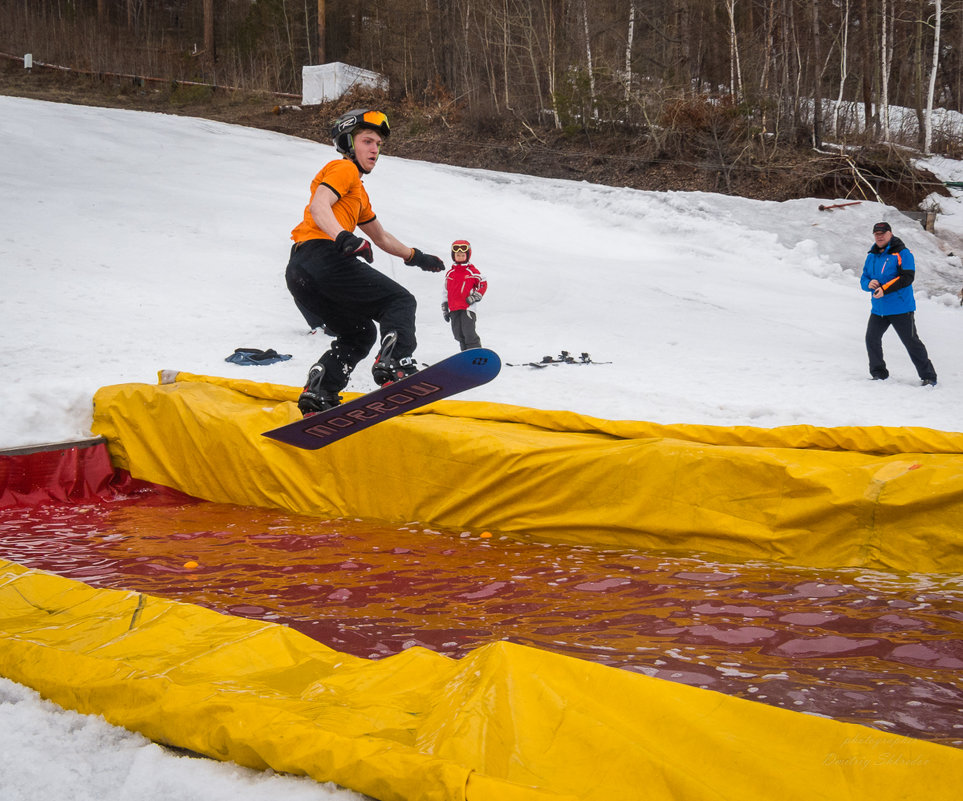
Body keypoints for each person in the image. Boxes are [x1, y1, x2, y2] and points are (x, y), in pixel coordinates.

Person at [285, 108, 445, 415]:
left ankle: (322, 389)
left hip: (301, 273)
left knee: (359, 334)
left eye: (378, 145)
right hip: (321, 256)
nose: (375, 150)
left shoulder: (358, 193)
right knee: (399, 301)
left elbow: (381, 237)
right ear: (349, 143)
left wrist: (416, 257)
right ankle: (396, 364)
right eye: (367, 141)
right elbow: (319, 206)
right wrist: (343, 237)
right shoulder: (342, 169)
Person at [859, 221, 937, 386]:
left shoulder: (903, 253)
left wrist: (885, 289)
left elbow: (907, 277)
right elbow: (864, 277)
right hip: (879, 308)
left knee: (911, 342)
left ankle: (928, 376)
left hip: (901, 308)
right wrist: (869, 284)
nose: (879, 237)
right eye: (876, 234)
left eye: (882, 234)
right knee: (871, 338)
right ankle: (879, 374)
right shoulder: (871, 255)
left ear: (890, 234)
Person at [441, 239, 488, 351]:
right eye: (458, 255)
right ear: (453, 256)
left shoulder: (472, 272)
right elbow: (445, 291)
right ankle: (465, 354)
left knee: (468, 332)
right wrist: (445, 307)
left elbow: (483, 283)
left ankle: (475, 353)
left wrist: (475, 296)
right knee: (458, 334)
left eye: (463, 255)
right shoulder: (450, 273)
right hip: (453, 308)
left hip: (467, 307)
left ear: (468, 255)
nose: (460, 257)